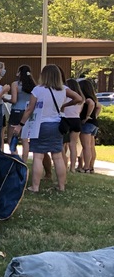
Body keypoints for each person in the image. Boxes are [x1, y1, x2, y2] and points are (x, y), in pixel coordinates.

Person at [12, 64, 82, 193]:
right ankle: (61, 186)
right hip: (57, 125)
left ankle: (35, 186)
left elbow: (29, 109)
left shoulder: (38, 90)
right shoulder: (63, 89)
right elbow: (79, 98)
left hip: (40, 125)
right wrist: (64, 105)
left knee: (38, 157)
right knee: (57, 157)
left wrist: (20, 125)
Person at [8, 65, 35, 160]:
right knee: (25, 139)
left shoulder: (15, 84)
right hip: (27, 112)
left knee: (11, 137)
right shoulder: (33, 85)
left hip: (16, 111)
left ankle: (15, 157)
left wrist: (5, 99)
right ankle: (24, 161)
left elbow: (14, 100)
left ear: (19, 73)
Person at [78, 78, 101, 174]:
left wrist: (87, 116)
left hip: (87, 124)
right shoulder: (94, 98)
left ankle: (86, 167)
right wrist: (95, 116)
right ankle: (91, 166)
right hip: (94, 124)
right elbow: (99, 106)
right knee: (91, 146)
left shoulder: (87, 99)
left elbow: (91, 104)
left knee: (86, 146)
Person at [62, 78, 83, 171]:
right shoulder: (81, 98)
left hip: (66, 119)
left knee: (62, 144)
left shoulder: (65, 96)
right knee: (73, 145)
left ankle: (64, 164)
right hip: (76, 120)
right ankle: (73, 167)